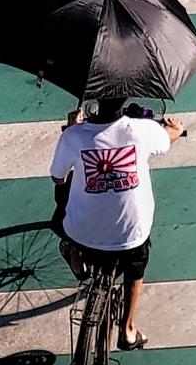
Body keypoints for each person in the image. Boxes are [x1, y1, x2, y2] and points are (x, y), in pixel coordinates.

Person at [48, 98, 183, 351]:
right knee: (136, 261)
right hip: (130, 233)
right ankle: (129, 329)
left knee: (66, 204)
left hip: (82, 232)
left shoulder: (74, 136)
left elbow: (58, 178)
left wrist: (71, 129)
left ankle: (73, 252)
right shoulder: (143, 130)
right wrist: (174, 129)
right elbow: (167, 140)